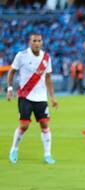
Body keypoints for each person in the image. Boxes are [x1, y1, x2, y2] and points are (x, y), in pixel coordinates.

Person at [6, 33, 58, 164]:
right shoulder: (21, 55)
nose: (37, 43)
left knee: (45, 125)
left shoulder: (46, 57)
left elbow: (48, 78)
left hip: (41, 98)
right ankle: (14, 149)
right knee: (24, 125)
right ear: (30, 42)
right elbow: (11, 72)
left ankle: (47, 155)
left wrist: (53, 97)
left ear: (42, 42)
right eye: (34, 41)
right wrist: (10, 89)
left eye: (39, 41)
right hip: (25, 96)